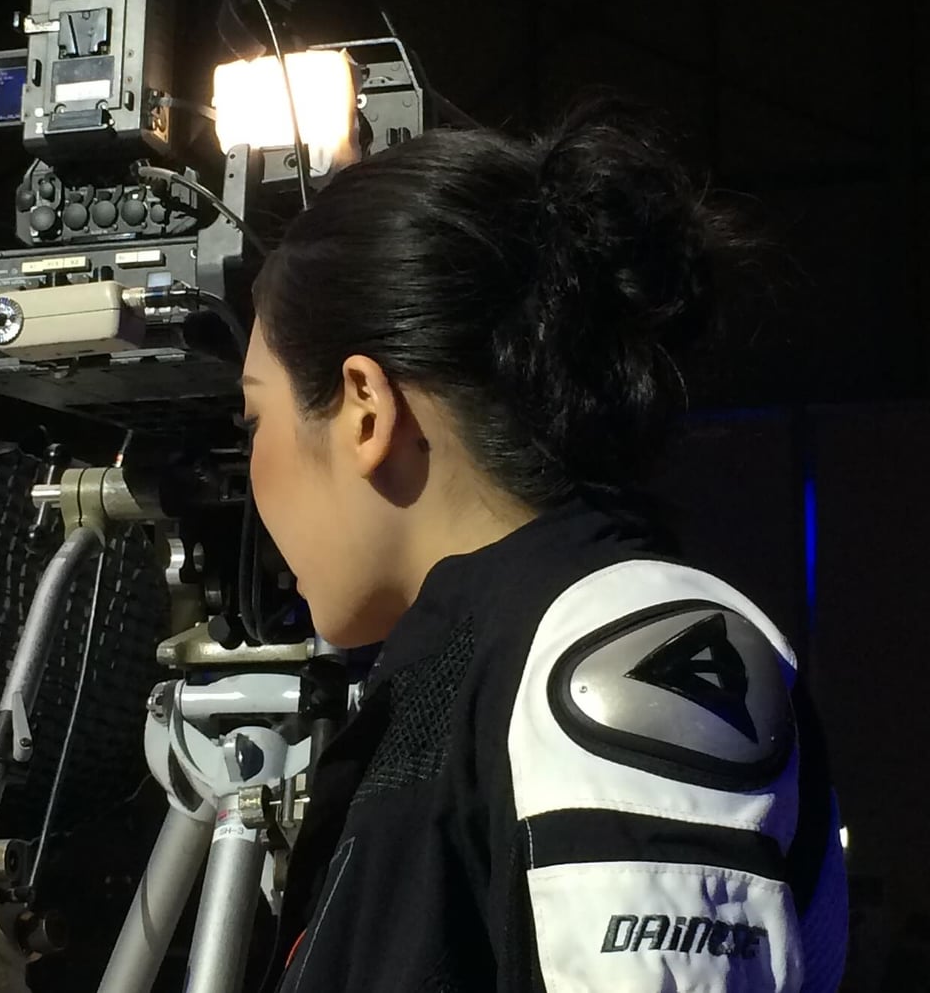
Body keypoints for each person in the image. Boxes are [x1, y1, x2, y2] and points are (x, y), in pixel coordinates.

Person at [238, 95, 848, 992]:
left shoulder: (617, 644)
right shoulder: (478, 667)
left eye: (255, 417)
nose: (247, 470)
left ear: (366, 409)